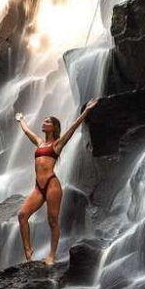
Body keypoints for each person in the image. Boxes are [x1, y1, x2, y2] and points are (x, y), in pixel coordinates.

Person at [15, 98, 98, 266]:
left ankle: (52, 255)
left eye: (47, 121)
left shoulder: (57, 145)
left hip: (52, 185)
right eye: (44, 121)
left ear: (53, 127)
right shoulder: (39, 142)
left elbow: (73, 127)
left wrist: (87, 110)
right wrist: (21, 119)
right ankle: (28, 250)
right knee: (22, 215)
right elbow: (26, 131)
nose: (43, 123)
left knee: (52, 220)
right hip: (38, 187)